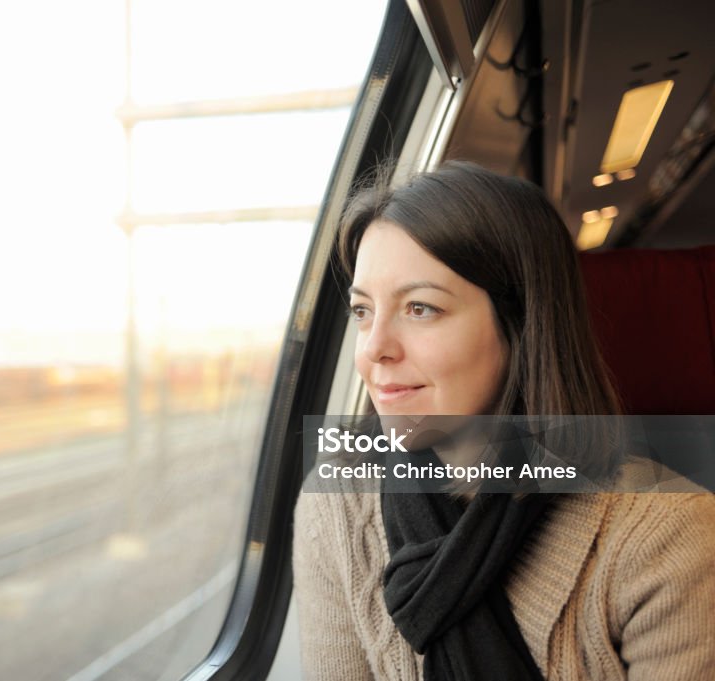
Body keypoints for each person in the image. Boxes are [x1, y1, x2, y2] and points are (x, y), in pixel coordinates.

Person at [292, 161, 715, 680]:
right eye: (362, 312)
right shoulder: (336, 507)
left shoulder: (668, 534)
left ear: (521, 325)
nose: (374, 348)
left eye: (420, 308)